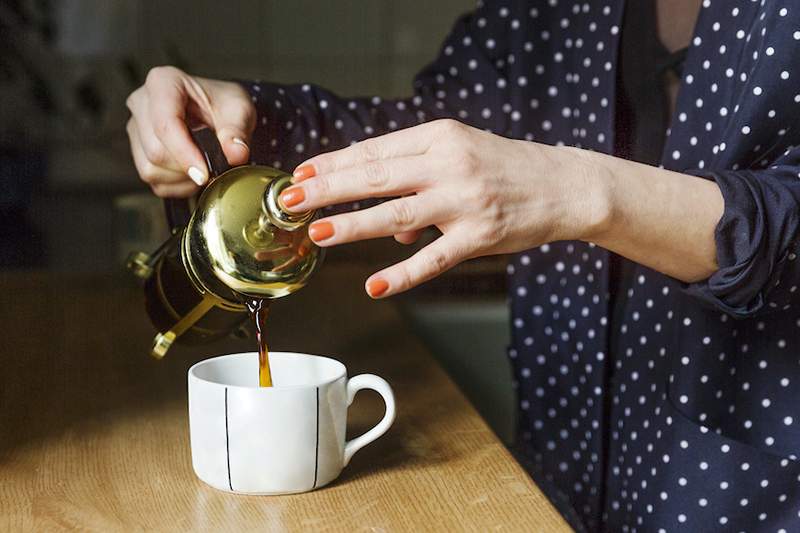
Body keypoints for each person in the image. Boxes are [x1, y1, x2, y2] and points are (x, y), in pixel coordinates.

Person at [126, 0, 800, 530]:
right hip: (560, 470)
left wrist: (585, 190)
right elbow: (446, 131)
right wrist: (244, 121)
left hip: (751, 486)